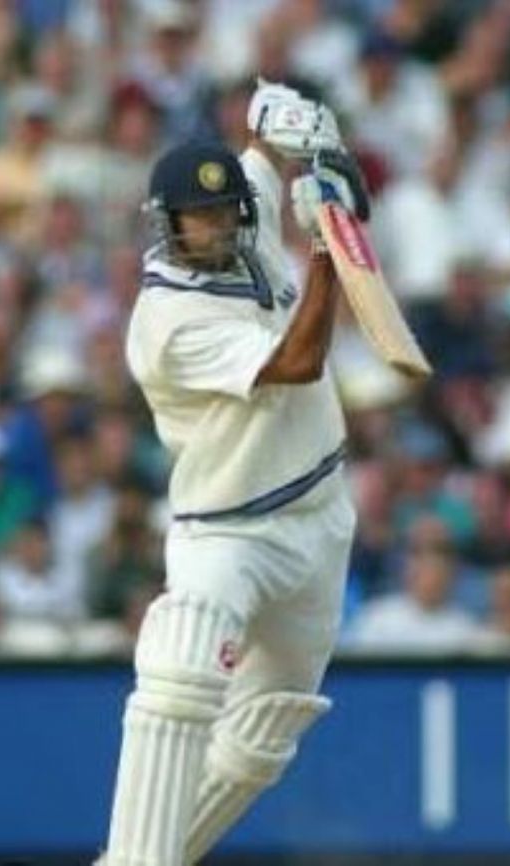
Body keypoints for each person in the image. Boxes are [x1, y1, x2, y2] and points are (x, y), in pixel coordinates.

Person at [100, 79, 369, 865]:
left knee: (264, 730)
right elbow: (298, 358)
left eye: (224, 212)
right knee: (182, 677)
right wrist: (328, 243)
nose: (215, 225)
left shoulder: (244, 218)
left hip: (320, 515)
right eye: (198, 215)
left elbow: (263, 150)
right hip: (230, 530)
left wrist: (292, 123)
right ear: (169, 224)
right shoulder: (167, 320)